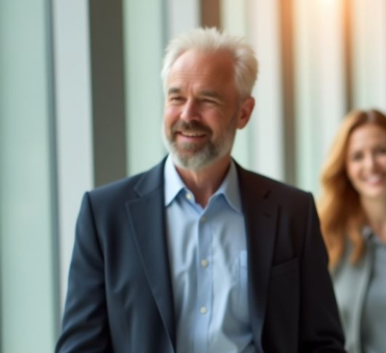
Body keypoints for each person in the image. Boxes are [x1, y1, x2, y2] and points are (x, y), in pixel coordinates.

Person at [56, 28, 346, 352]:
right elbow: (80, 346)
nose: (187, 115)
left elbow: (322, 342)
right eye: (176, 97)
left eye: (208, 99)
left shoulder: (293, 211)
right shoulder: (104, 214)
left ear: (244, 112)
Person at [319, 109, 386, 353]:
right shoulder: (325, 240)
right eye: (357, 157)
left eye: (381, 151)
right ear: (345, 168)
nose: (371, 165)